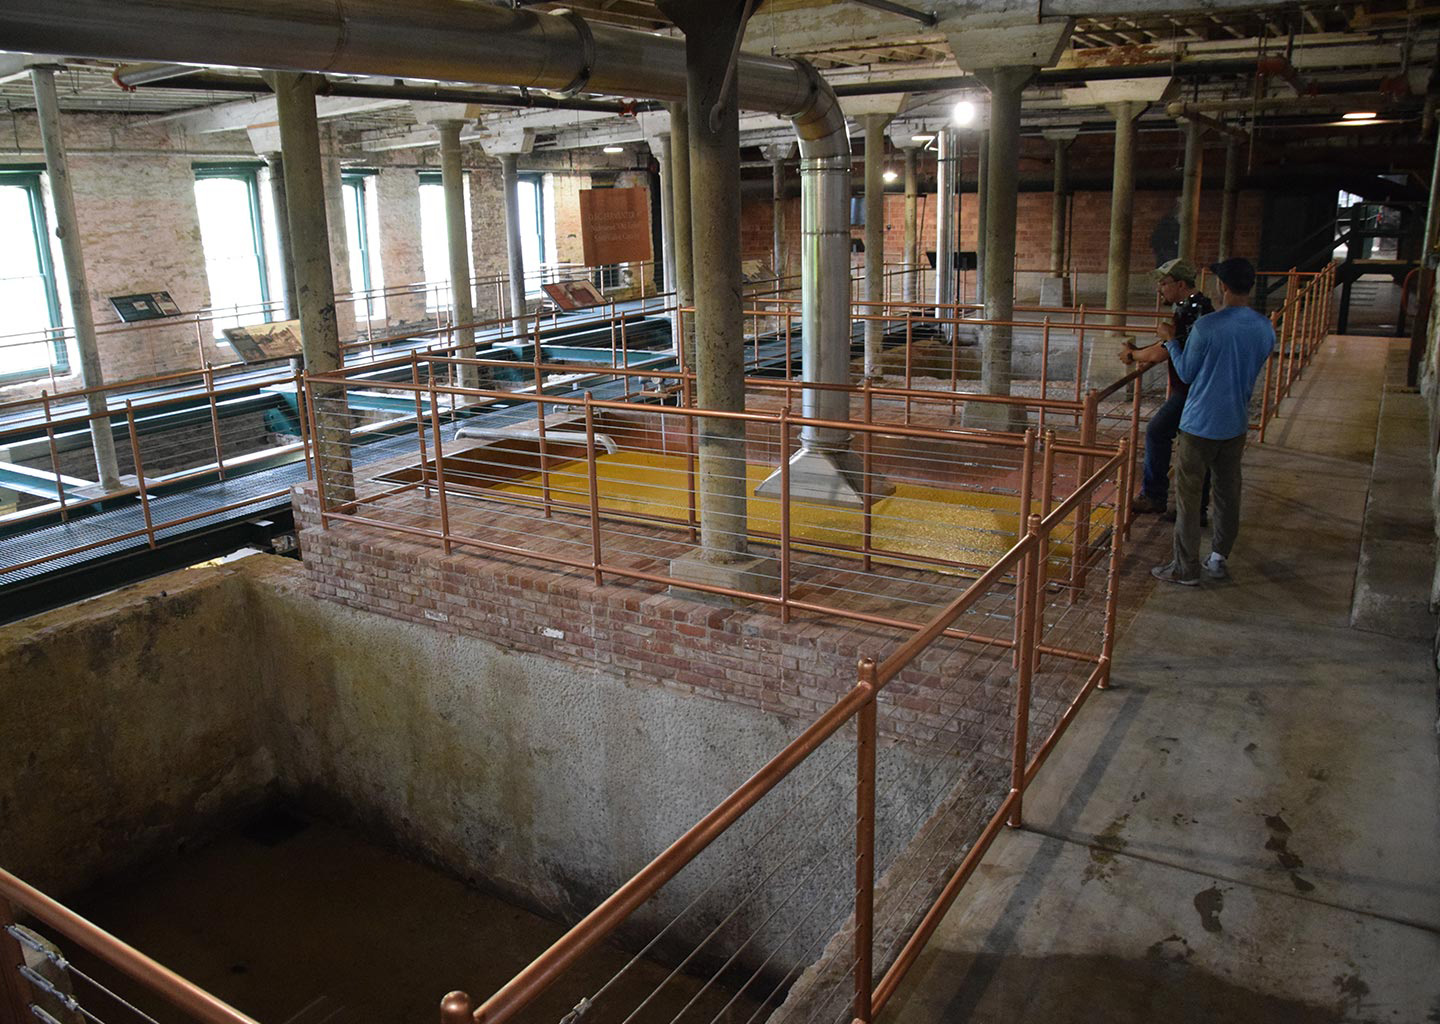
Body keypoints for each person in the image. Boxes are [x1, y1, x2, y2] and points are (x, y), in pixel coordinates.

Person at [1125, 258, 1276, 585]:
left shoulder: (1208, 327)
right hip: (1235, 423)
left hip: (1199, 423)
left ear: (1222, 287)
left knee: (1188, 499)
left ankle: (1184, 567)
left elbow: (1187, 372)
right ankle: (1219, 559)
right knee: (1227, 493)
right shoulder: (1265, 327)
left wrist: (1168, 340)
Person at [1124, 258, 1214, 519]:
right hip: (1194, 388)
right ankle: (1194, 509)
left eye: (1164, 283)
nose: (1160, 289)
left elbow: (1167, 350)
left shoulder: (1192, 311)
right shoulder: (1194, 307)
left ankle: (1156, 496)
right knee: (1192, 446)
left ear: (1181, 284)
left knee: (1159, 432)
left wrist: (1133, 356)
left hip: (1190, 389)